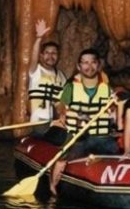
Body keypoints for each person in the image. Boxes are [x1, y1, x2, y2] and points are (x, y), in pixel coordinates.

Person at [49, 48, 118, 192]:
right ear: (79, 66)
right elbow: (60, 104)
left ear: (98, 65)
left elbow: (113, 108)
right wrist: (62, 113)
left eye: (93, 62)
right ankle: (53, 186)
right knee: (62, 159)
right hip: (78, 136)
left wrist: (114, 111)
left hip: (102, 137)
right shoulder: (71, 87)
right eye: (85, 63)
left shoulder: (106, 88)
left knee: (115, 153)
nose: (89, 66)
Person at [27, 18, 66, 137]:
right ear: (41, 55)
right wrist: (39, 38)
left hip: (54, 121)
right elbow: (33, 58)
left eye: (54, 53)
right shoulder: (36, 71)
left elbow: (61, 102)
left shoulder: (60, 76)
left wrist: (63, 117)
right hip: (40, 122)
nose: (51, 56)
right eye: (47, 53)